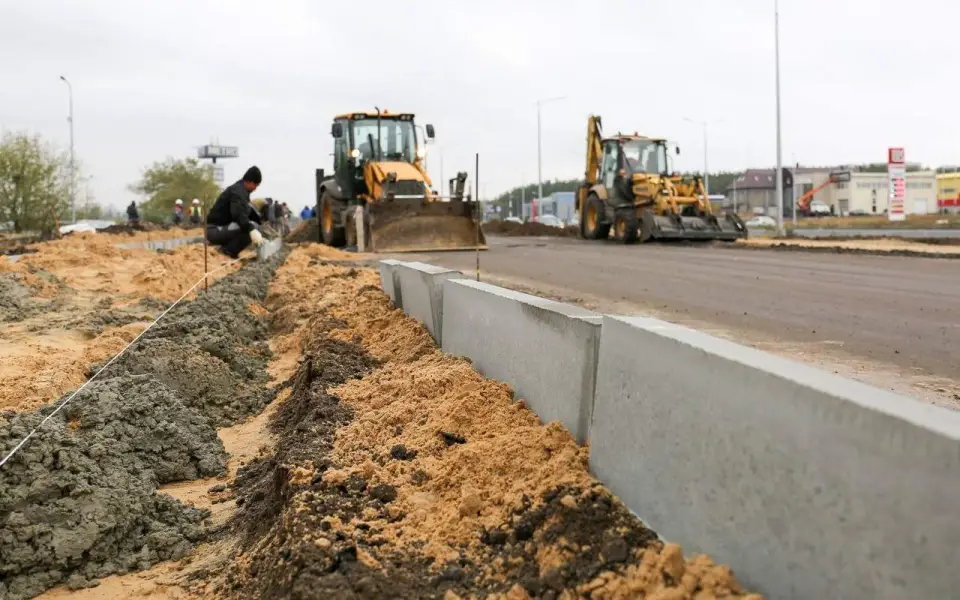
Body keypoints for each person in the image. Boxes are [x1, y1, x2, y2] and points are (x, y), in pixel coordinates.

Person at [206, 166, 264, 258]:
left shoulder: (242, 191)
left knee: (252, 225)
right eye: (256, 185)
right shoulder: (238, 192)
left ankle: (227, 249)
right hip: (213, 230)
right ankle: (227, 252)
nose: (255, 188)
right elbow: (239, 215)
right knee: (250, 226)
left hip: (221, 229)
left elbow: (246, 213)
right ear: (250, 182)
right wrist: (252, 229)